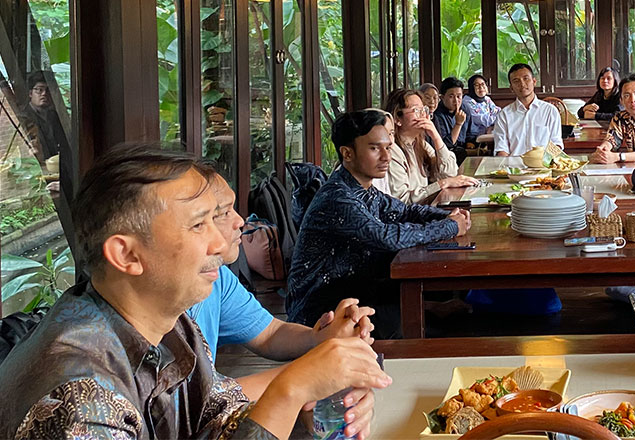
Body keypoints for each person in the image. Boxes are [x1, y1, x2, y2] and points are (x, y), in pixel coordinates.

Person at [0, 143, 390, 440]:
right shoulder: (79, 398)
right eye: (199, 225)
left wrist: (306, 409)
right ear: (127, 255)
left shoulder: (172, 326)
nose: (221, 243)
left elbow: (218, 423)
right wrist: (291, 388)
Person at [189, 173, 376, 402]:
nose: (241, 221)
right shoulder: (156, 310)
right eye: (223, 213)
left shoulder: (218, 277)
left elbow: (270, 333)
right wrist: (311, 373)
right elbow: (198, 405)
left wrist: (321, 338)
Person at [287, 110, 471, 336]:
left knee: (452, 317)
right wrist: (450, 226)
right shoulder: (338, 197)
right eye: (375, 148)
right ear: (347, 153)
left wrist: (447, 216)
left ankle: (425, 309)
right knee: (442, 332)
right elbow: (385, 237)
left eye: (388, 148)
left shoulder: (364, 189)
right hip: (322, 312)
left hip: (357, 294)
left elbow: (406, 211)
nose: (386, 157)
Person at [385, 88, 478, 204]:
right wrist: (443, 184)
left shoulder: (420, 144)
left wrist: (436, 137)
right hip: (412, 214)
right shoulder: (391, 151)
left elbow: (451, 173)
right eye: (416, 110)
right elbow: (402, 201)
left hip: (426, 210)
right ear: (397, 119)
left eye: (424, 109)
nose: (424, 115)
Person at [591, 74, 635, 165]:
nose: (633, 100)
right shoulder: (620, 118)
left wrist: (618, 157)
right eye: (627, 95)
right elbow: (611, 140)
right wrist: (602, 151)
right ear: (621, 101)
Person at [493, 63, 563, 156]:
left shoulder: (550, 111)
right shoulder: (504, 115)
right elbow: (501, 149)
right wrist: (509, 164)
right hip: (514, 163)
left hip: (543, 163)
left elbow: (556, 144)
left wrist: (544, 162)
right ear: (511, 87)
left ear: (534, 81)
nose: (522, 84)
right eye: (516, 81)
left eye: (526, 78)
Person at [432, 76, 481, 164]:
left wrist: (471, 143)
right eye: (451, 96)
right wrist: (458, 124)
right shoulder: (437, 114)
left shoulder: (464, 108)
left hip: (464, 149)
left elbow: (472, 132)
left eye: (459, 96)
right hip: (447, 154)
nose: (456, 100)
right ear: (442, 97)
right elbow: (446, 144)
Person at [25, 69, 63, 160]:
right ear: (30, 93)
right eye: (39, 90)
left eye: (48, 90)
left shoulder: (54, 116)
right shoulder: (24, 117)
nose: (44, 94)